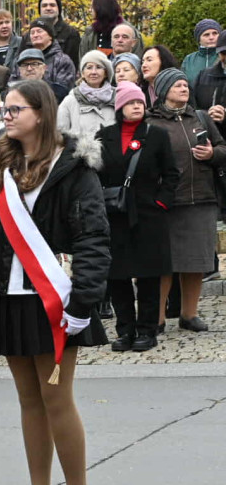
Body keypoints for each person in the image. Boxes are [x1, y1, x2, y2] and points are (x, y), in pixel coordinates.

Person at [0, 80, 110, 485]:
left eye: (15, 109)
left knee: (57, 398)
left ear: (41, 113)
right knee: (28, 399)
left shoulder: (74, 169)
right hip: (9, 298)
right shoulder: (0, 162)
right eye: (5, 108)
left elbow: (93, 238)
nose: (6, 115)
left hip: (55, 301)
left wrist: (83, 300)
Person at [96, 81, 180, 352]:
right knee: (117, 276)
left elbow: (171, 174)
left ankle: (147, 330)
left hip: (148, 215)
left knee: (148, 276)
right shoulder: (104, 136)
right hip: (115, 215)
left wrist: (161, 203)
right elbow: (96, 174)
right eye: (131, 103)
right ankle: (125, 331)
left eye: (140, 103)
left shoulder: (156, 135)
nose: (136, 107)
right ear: (120, 107)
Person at [147, 69, 226, 333]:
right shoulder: (150, 122)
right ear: (163, 90)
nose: (184, 88)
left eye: (185, 85)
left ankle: (189, 314)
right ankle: (157, 318)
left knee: (196, 261)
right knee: (163, 263)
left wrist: (211, 153)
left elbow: (223, 148)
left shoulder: (200, 117)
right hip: (166, 202)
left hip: (202, 199)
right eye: (177, 85)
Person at [57, 51, 116, 141]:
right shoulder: (70, 100)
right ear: (83, 73)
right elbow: (59, 133)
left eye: (98, 67)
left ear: (106, 73)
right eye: (89, 67)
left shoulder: (117, 97)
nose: (93, 72)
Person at [13, 19, 76, 91]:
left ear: (50, 36)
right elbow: (12, 85)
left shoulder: (62, 60)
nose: (35, 35)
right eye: (32, 33)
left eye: (39, 31)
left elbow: (64, 89)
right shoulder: (20, 60)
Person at [80, 0, 144, 59]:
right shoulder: (90, 33)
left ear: (102, 8)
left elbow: (137, 59)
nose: (90, 10)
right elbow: (83, 60)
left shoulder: (130, 32)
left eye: (92, 7)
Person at [31, 0, 81, 66]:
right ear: (40, 10)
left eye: (52, 5)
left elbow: (74, 63)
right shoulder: (30, 34)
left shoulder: (71, 33)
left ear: (59, 9)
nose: (48, 8)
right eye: (44, 6)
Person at [193, 31, 226, 140]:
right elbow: (192, 107)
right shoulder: (204, 75)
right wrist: (206, 116)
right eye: (224, 53)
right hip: (209, 141)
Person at [183, 20, 224, 87]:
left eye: (215, 33)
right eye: (206, 35)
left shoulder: (224, 56)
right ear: (199, 39)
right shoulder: (189, 59)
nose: (211, 37)